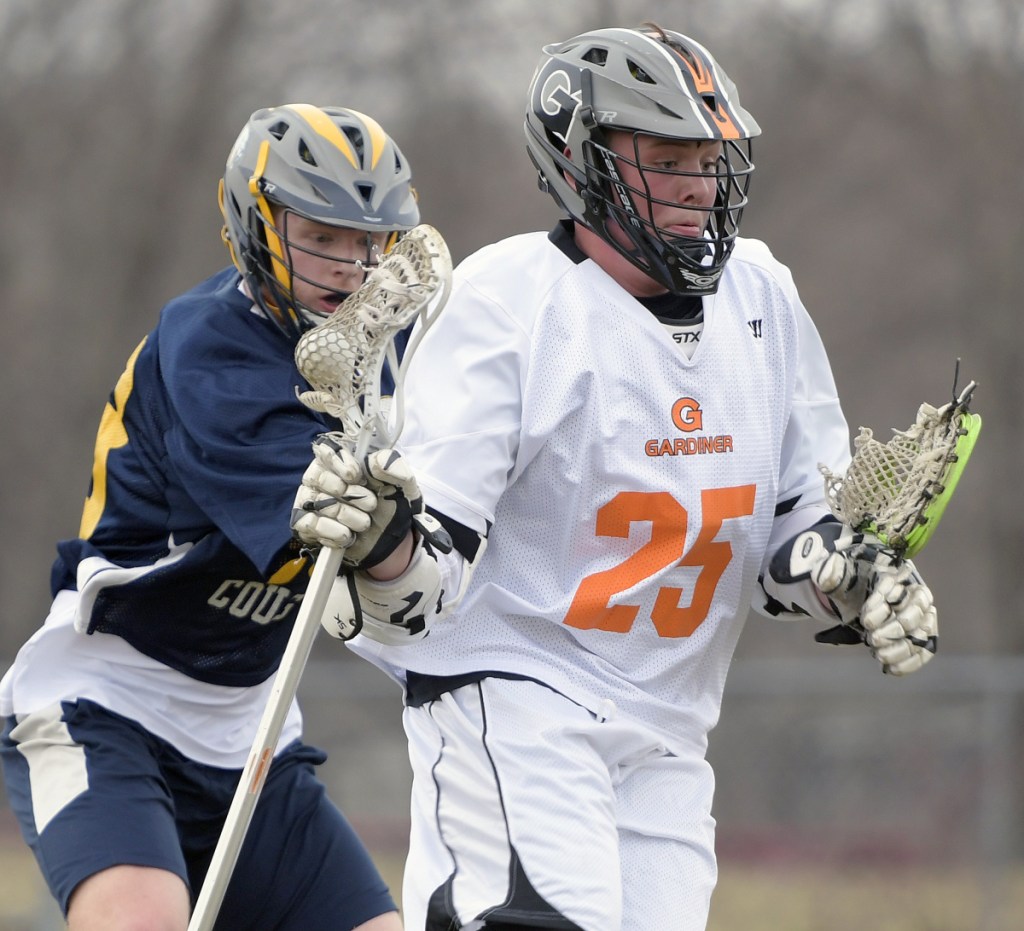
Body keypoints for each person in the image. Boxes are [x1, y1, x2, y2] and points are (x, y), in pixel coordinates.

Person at [291, 24, 940, 931]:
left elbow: (792, 535)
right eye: (667, 159)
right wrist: (382, 539)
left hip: (668, 730)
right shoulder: (509, 302)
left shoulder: (763, 296)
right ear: (583, 162)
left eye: (708, 159)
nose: (699, 184)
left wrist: (851, 575)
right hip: (517, 692)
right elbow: (421, 587)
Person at [0, 104, 420, 930]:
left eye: (369, 243)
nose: (351, 267)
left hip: (247, 726)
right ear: (256, 226)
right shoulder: (209, 344)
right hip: (109, 703)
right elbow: (328, 525)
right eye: (322, 237)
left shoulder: (394, 352)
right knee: (142, 919)